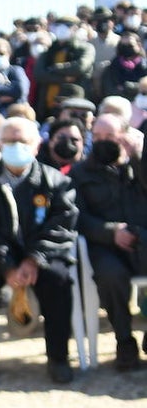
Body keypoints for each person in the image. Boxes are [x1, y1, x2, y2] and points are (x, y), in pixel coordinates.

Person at [0, 117, 78, 384]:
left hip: (42, 258)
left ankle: (59, 357)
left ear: (36, 145)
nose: (16, 146)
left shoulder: (56, 182)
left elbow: (62, 226)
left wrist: (35, 260)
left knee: (60, 279)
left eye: (22, 141)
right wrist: (7, 264)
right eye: (10, 141)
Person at [69, 113, 147, 370]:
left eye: (110, 137)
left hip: (143, 240)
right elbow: (77, 217)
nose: (103, 142)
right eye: (98, 136)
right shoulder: (81, 173)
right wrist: (111, 232)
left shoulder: (138, 165)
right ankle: (124, 340)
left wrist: (137, 158)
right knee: (111, 275)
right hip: (106, 246)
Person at [33, 15, 95, 120]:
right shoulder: (48, 51)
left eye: (66, 26)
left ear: (75, 28)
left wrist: (54, 68)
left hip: (75, 103)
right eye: (58, 26)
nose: (61, 29)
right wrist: (64, 78)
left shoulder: (85, 48)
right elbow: (39, 74)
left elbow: (80, 67)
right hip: (48, 104)